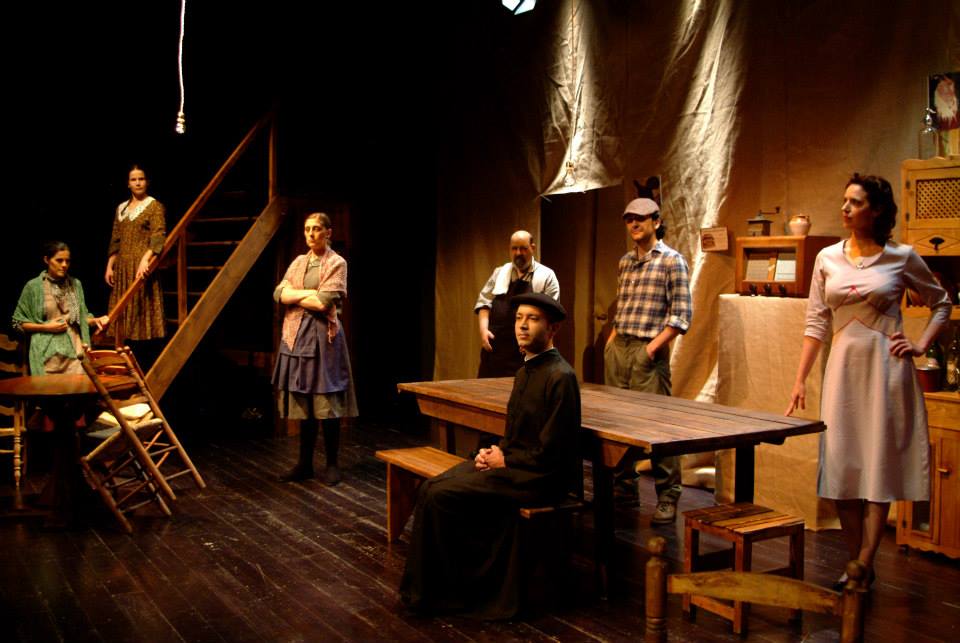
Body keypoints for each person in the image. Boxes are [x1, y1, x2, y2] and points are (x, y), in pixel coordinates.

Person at [786, 174, 950, 588]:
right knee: (842, 469)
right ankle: (857, 561)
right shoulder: (827, 258)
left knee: (878, 466)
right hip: (842, 372)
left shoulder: (902, 257)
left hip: (886, 371)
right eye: (844, 200)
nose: (845, 208)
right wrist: (800, 379)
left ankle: (863, 562)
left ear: (875, 210)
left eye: (855, 202)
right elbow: (816, 323)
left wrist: (920, 345)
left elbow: (942, 303)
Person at [400, 292, 581, 619]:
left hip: (539, 478)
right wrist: (493, 452)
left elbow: (553, 450)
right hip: (516, 466)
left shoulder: (561, 377)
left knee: (441, 496)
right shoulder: (525, 371)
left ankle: (450, 595)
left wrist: (506, 460)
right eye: (519, 318)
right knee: (430, 487)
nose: (522, 326)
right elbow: (516, 435)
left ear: (552, 328)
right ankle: (429, 591)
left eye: (533, 319)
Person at [604, 197, 692, 524]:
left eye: (640, 219)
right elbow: (624, 305)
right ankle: (624, 487)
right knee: (617, 422)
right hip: (621, 346)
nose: (634, 224)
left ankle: (668, 496)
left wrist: (652, 348)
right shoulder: (626, 262)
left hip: (646, 349)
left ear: (656, 221)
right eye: (629, 219)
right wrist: (612, 340)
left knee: (658, 425)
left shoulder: (672, 261)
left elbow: (681, 315)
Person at [272, 212, 358, 485]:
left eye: (317, 229)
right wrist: (308, 294)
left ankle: (332, 464)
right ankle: (304, 464)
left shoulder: (337, 263)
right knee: (304, 402)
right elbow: (279, 294)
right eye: (307, 229)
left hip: (324, 339)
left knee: (326, 401)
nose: (311, 234)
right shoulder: (299, 262)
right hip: (296, 337)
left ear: (328, 233)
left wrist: (295, 296)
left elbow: (324, 303)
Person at [13, 241, 110, 374]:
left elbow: (81, 318)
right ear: (47, 260)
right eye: (59, 260)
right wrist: (46, 327)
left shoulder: (75, 284)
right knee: (48, 387)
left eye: (67, 261)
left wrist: (96, 320)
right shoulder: (34, 287)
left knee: (79, 386)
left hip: (75, 353)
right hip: (47, 355)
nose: (64, 265)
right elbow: (18, 322)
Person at [475, 230, 560, 377]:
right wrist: (483, 331)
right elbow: (484, 303)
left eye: (523, 248)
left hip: (527, 351)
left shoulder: (546, 276)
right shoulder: (499, 272)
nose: (518, 253)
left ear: (533, 248)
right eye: (514, 248)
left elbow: (552, 316)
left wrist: (536, 344)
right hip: (496, 350)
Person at [104, 164, 167, 361]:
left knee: (142, 310)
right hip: (123, 266)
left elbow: (158, 235)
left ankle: (144, 357)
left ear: (147, 182)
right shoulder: (121, 208)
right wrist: (110, 265)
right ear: (128, 184)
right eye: (134, 179)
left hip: (141, 264)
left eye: (141, 179)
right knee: (123, 311)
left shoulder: (154, 206)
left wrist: (145, 259)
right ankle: (124, 356)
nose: (138, 183)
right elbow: (116, 238)